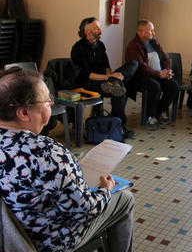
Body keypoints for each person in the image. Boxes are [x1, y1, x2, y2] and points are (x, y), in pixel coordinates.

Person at [0, 67, 134, 251]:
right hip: (47, 240)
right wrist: (106, 190)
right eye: (47, 101)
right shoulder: (46, 152)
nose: (51, 104)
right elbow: (87, 210)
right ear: (23, 113)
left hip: (12, 236)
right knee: (124, 198)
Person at [71, 17, 138, 138]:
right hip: (88, 83)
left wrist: (111, 76)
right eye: (96, 28)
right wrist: (109, 77)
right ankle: (118, 125)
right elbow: (87, 75)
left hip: (106, 80)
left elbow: (107, 66)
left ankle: (115, 121)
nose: (100, 31)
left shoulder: (100, 45)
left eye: (99, 27)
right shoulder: (78, 48)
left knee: (133, 63)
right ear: (87, 31)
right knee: (118, 90)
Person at [125, 19, 179, 126]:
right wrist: (158, 74)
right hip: (141, 77)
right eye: (151, 30)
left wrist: (167, 71)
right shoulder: (133, 46)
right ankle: (151, 116)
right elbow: (141, 68)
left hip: (158, 74)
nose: (154, 33)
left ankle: (161, 110)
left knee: (173, 85)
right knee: (155, 86)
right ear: (140, 32)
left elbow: (165, 59)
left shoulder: (154, 42)